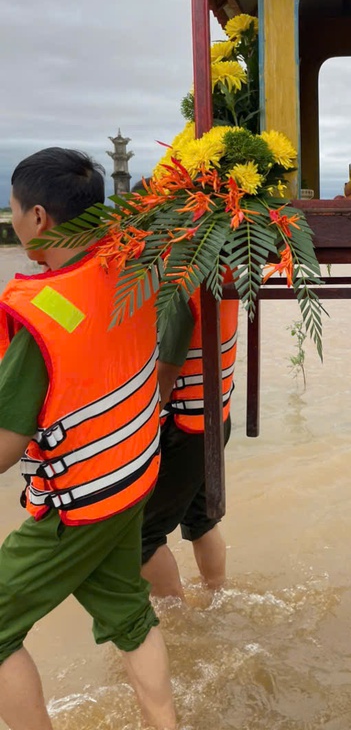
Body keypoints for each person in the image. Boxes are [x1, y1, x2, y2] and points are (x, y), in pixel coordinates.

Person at [0, 149, 176, 730]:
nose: (14, 217)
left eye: (16, 208)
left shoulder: (42, 317)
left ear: (40, 219)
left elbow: (4, 451)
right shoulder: (132, 270)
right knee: (130, 617)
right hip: (129, 485)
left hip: (76, 508)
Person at [140, 279, 239, 600]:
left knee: (144, 535)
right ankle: (218, 597)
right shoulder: (215, 268)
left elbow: (167, 369)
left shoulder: (176, 278)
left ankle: (178, 619)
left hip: (184, 428)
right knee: (200, 520)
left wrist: (147, 423)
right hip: (213, 419)